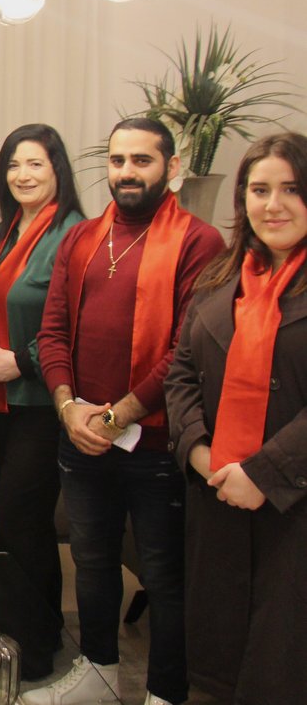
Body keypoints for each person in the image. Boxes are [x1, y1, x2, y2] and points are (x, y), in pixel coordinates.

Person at [28, 117, 225, 705]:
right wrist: (69, 409)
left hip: (158, 442)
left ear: (172, 167)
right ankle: (99, 675)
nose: (127, 172)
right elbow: (52, 332)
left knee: (164, 576)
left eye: (142, 160)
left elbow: (186, 350)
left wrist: (118, 417)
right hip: (81, 437)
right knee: (91, 563)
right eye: (118, 160)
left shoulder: (199, 242)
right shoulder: (83, 238)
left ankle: (165, 693)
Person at [165, 132, 307, 705]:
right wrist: (199, 452)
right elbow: (180, 372)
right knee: (219, 663)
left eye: (291, 189)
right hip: (216, 495)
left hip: (292, 508)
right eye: (259, 190)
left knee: (280, 665)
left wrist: (263, 474)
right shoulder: (219, 277)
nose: (273, 205)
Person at [0, 123, 85, 681]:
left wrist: (24, 361)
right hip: (1, 401)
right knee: (24, 524)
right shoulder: (0, 233)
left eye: (35, 164)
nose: (23, 175)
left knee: (15, 518)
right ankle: (38, 633)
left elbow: (80, 323)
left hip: (45, 399)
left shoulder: (74, 234)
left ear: (57, 170)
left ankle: (24, 649)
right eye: (14, 164)